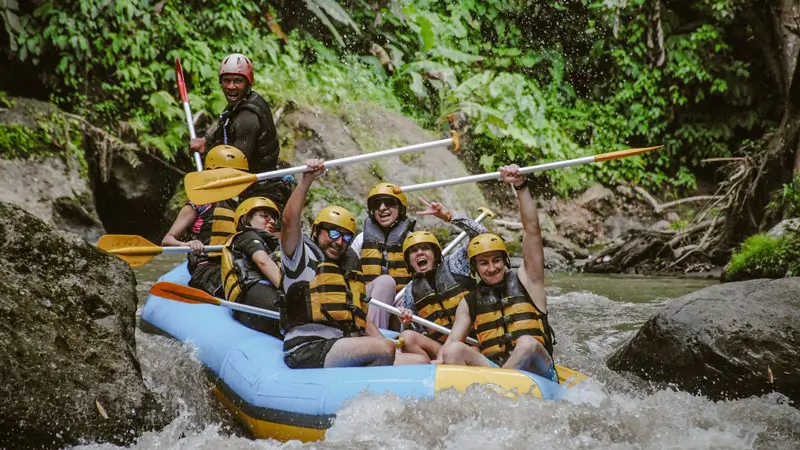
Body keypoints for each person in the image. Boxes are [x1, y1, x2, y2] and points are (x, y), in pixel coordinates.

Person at [279, 159, 427, 368]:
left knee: (419, 361)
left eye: (345, 237)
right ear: (316, 231)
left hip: (345, 345)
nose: (338, 242)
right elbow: (288, 221)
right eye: (332, 233)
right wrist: (306, 181)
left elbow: (362, 320)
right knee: (383, 350)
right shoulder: (300, 258)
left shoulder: (347, 269)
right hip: (310, 348)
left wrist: (388, 343)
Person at [440, 165, 558, 382]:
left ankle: (497, 388)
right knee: (453, 351)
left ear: (505, 261)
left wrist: (520, 186)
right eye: (484, 263)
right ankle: (489, 390)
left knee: (527, 343)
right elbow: (450, 345)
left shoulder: (529, 280)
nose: (492, 268)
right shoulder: (469, 302)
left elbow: (532, 229)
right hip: (497, 368)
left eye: (496, 261)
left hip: (539, 370)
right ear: (474, 269)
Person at [189, 53, 291, 208]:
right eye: (226, 80)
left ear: (248, 83)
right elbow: (225, 130)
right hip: (247, 187)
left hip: (260, 192)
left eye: (237, 81)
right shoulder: (238, 104)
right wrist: (206, 141)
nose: (231, 86)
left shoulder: (248, 117)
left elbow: (234, 166)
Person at [349, 183, 454, 330]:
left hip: (403, 306)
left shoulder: (413, 242)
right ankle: (375, 339)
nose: (382, 208)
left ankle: (407, 338)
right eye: (376, 204)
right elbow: (347, 274)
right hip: (368, 303)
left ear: (401, 208)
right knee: (385, 282)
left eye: (389, 203)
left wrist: (449, 217)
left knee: (410, 294)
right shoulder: (361, 239)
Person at [396, 208, 487, 362]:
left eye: (425, 248)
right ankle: (431, 374)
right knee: (407, 338)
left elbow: (482, 236)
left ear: (436, 254)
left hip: (474, 342)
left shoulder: (456, 264)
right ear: (409, 261)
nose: (419, 253)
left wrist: (449, 216)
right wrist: (406, 323)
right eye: (413, 251)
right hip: (441, 347)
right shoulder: (411, 291)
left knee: (458, 350)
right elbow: (413, 330)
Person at [162, 145, 248, 296]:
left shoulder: (237, 208)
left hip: (231, 265)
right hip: (206, 267)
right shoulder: (197, 205)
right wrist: (187, 244)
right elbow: (167, 240)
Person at [221, 197, 283, 338]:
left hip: (258, 300)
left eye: (273, 218)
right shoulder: (246, 236)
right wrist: (290, 290)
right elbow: (262, 261)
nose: (272, 221)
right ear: (246, 219)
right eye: (264, 216)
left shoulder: (272, 245)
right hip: (252, 300)